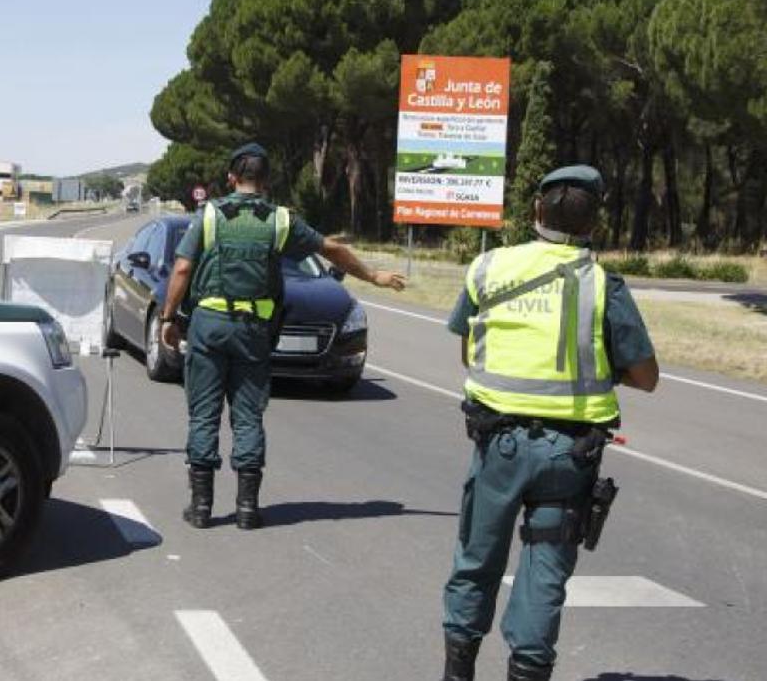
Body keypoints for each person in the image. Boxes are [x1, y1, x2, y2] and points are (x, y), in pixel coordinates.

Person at [440, 166, 660, 681]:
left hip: (498, 446)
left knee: (476, 562)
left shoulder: (489, 267)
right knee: (544, 576)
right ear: (594, 222)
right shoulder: (604, 285)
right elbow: (646, 376)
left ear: (537, 210)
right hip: (571, 455)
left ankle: (457, 672)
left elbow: (469, 350)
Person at [158, 143, 406, 530]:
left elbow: (183, 269)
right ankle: (247, 509)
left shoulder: (208, 216)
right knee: (248, 417)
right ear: (267, 181)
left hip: (209, 327)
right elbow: (333, 249)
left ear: (231, 178)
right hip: (254, 332)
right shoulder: (280, 221)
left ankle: (202, 507)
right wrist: (374, 276)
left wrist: (168, 318)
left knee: (204, 415)